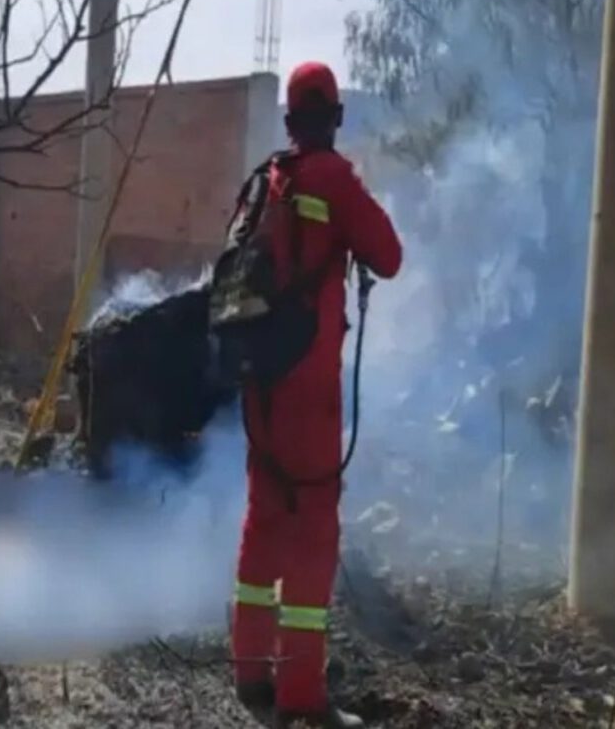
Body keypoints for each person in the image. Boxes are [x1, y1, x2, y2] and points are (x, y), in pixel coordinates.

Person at [230, 61, 403, 729]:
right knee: (313, 536)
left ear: (287, 121)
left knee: (262, 521)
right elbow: (388, 254)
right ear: (333, 117)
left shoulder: (269, 179)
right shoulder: (332, 177)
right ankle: (301, 694)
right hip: (307, 385)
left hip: (260, 383)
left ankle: (251, 675)